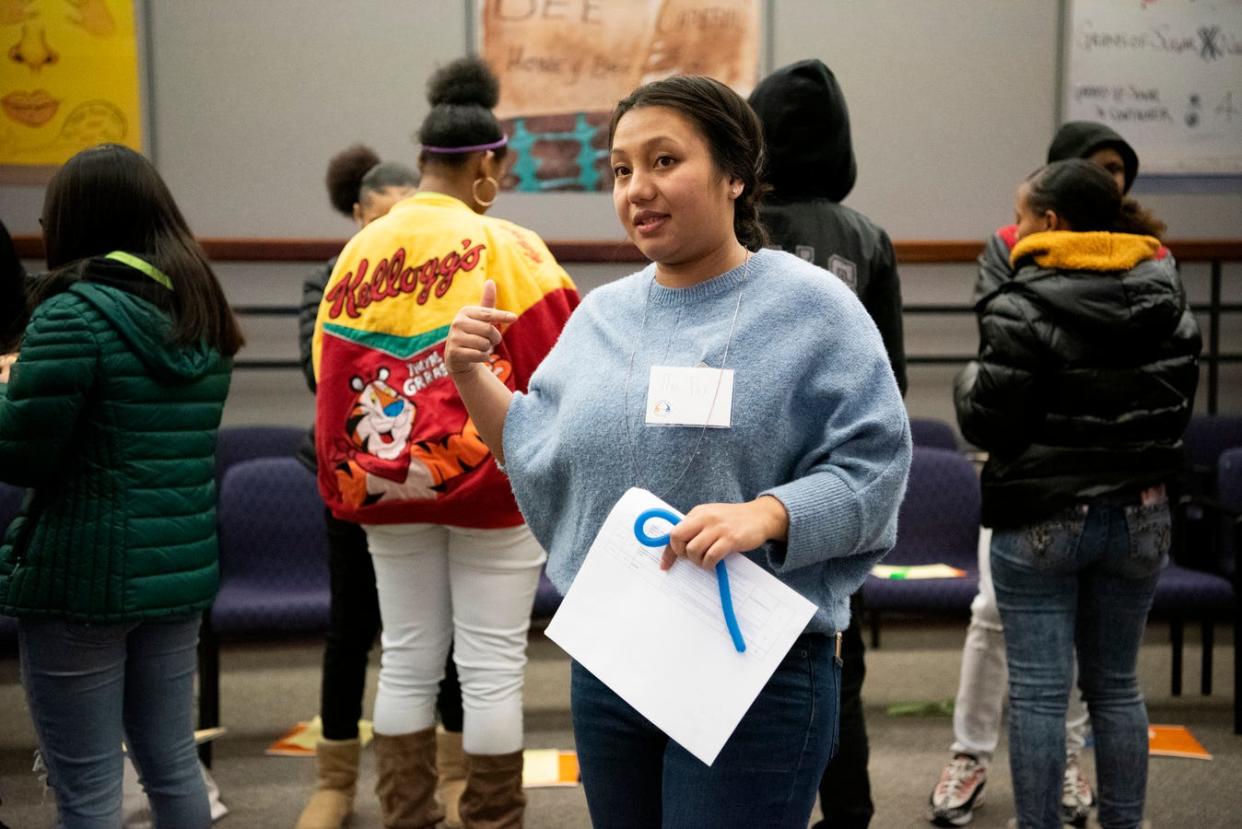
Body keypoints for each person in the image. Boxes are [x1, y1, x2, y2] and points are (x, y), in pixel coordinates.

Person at [445, 74, 911, 828]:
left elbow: (877, 469)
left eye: (665, 161)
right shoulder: (602, 316)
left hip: (756, 666)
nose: (638, 189)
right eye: (622, 169)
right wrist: (470, 376)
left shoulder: (814, 308)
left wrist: (768, 513)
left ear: (736, 175)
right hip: (615, 661)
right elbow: (537, 448)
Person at [310, 57, 578, 829]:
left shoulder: (355, 256)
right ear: (489, 164)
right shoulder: (512, 248)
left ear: (423, 158)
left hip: (381, 487)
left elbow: (328, 376)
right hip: (492, 481)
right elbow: (565, 366)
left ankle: (406, 818)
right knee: (491, 669)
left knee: (406, 657)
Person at [0, 143, 243, 828]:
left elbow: (20, 452)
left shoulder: (71, 317)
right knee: (171, 763)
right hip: (174, 576)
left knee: (89, 791)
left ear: (79, 222)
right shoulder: (202, 314)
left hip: (81, 577)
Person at [954, 158, 1199, 829]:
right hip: (1141, 517)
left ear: (1051, 222)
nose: (1014, 228)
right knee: (1117, 686)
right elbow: (1176, 414)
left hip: (1042, 516)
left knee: (1038, 694)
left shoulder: (1020, 300)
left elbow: (987, 419)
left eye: (1023, 215)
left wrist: (967, 378)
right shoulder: (1169, 294)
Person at [928, 121, 1148, 829]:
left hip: (1113, 491)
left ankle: (1069, 764)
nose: (1108, 180)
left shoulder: (1154, 261)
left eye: (1117, 169)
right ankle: (969, 753)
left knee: (1094, 666)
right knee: (992, 618)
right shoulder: (1008, 246)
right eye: (1094, 167)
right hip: (1032, 484)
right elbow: (1004, 353)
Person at [749, 58, 906, 829]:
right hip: (836, 489)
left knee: (735, 664)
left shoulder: (743, 227)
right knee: (838, 661)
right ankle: (849, 814)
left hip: (741, 488)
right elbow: (892, 389)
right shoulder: (868, 238)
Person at [295, 147, 469, 829]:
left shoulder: (444, 278)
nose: (396, 229)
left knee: (447, 626)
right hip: (354, 481)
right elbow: (326, 383)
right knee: (351, 627)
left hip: (435, 476)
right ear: (358, 214)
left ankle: (454, 771)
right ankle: (334, 777)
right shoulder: (331, 278)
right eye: (382, 215)